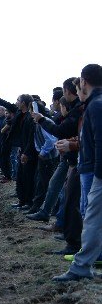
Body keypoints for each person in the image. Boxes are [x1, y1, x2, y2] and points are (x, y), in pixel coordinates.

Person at [53, 64, 102, 282]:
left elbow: (99, 143)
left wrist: (98, 176)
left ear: (83, 81)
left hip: (95, 171)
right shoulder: (94, 104)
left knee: (91, 219)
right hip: (91, 168)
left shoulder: (96, 106)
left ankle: (81, 267)